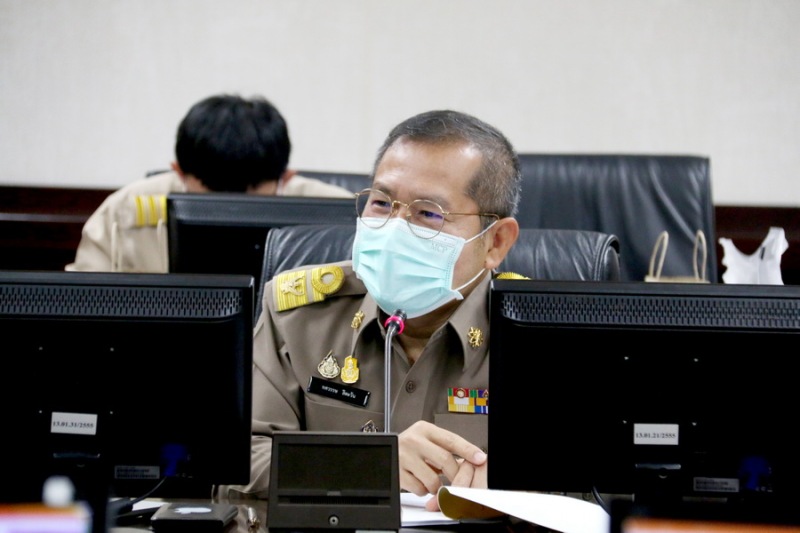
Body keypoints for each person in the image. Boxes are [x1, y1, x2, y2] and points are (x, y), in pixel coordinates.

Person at [223, 109, 521, 511]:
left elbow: (593, 483)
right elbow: (235, 464)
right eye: (381, 203)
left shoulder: (538, 335)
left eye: (428, 213)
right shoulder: (299, 315)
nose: (395, 228)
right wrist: (367, 466)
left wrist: (518, 485)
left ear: (496, 242)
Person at [65, 93, 352, 273]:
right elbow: (85, 300)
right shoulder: (125, 210)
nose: (230, 214)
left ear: (285, 178)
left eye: (248, 199)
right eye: (214, 198)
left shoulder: (338, 214)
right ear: (178, 172)